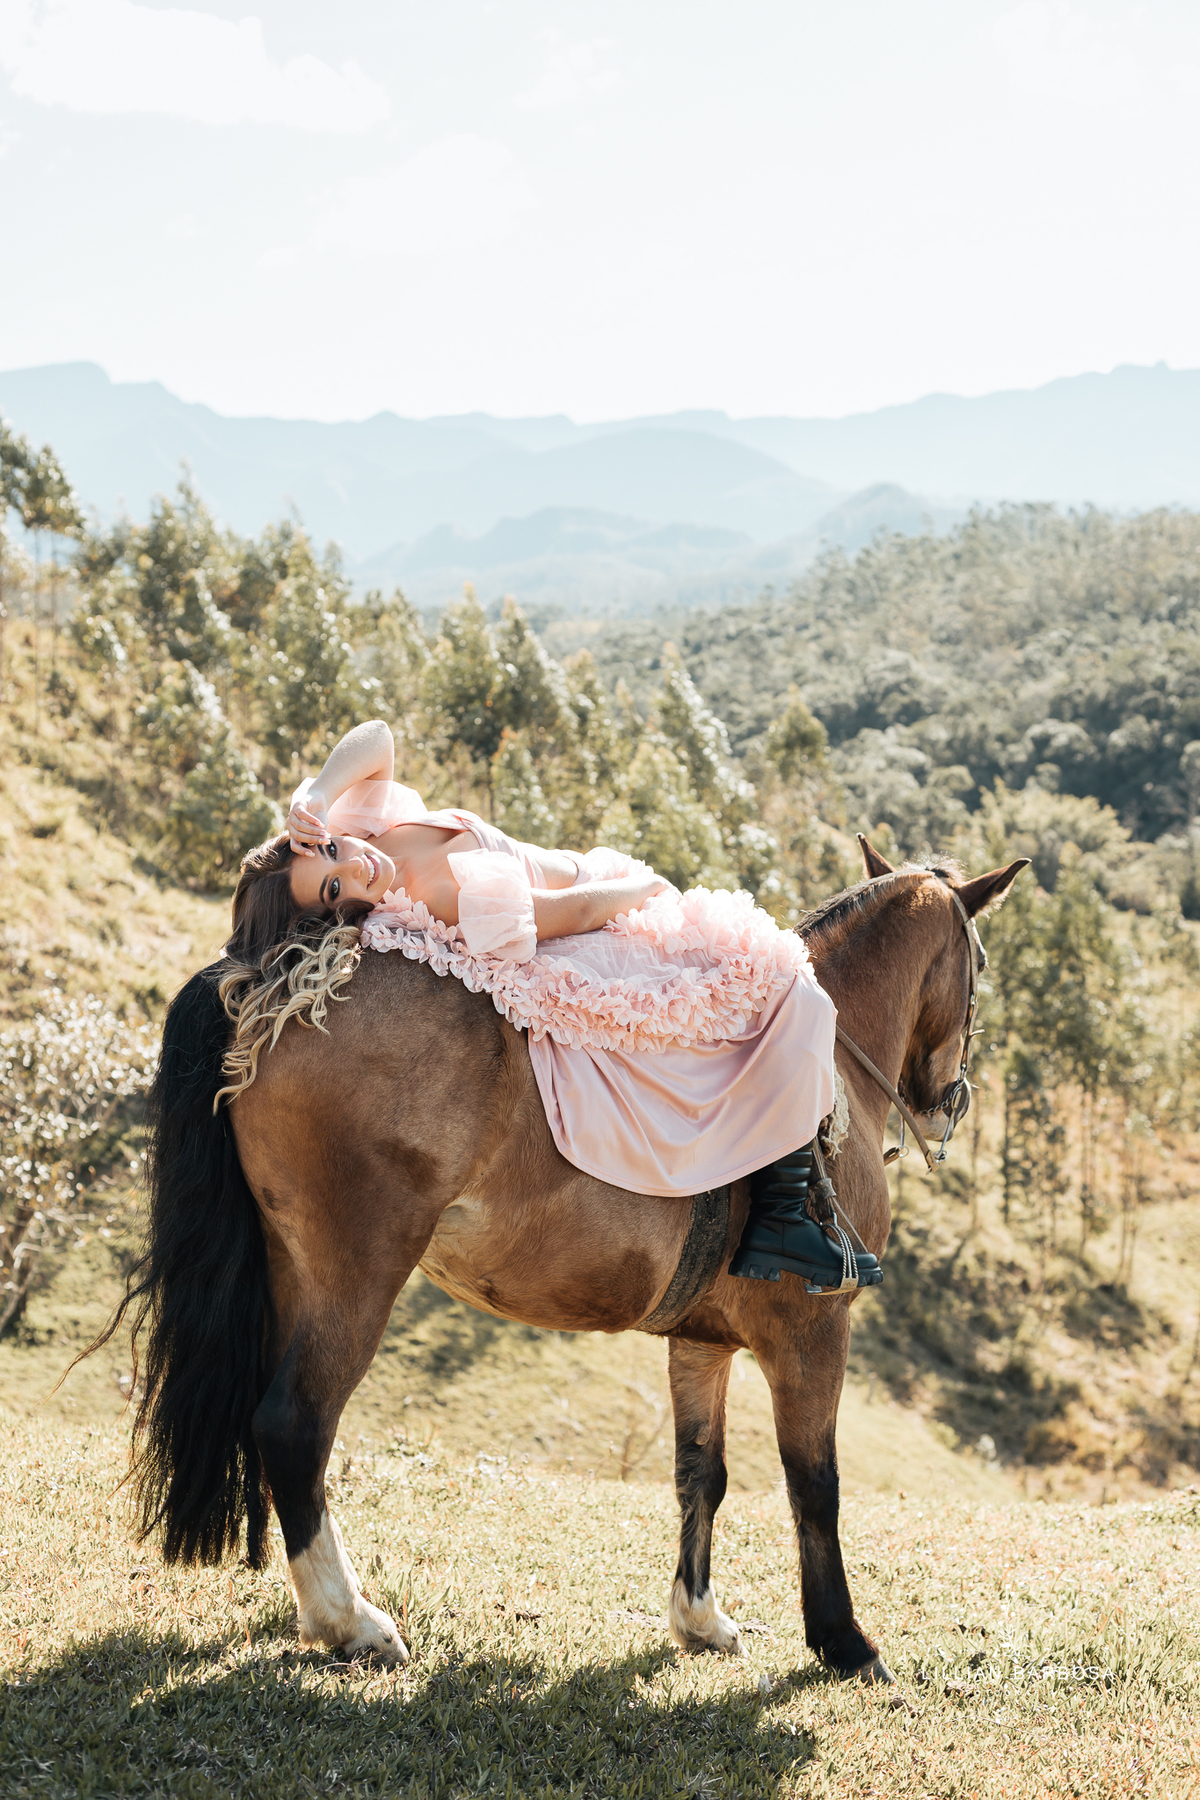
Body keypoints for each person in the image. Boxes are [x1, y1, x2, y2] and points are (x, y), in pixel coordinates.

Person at [228, 720, 880, 1293]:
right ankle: (782, 1218)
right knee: (781, 979)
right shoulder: (441, 889)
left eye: (332, 851)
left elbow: (377, 739)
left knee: (756, 975)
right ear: (336, 913)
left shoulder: (365, 833)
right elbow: (571, 913)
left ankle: (783, 1201)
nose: (356, 866)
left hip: (591, 873)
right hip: (591, 914)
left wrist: (315, 794)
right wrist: (645, 888)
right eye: (336, 887)